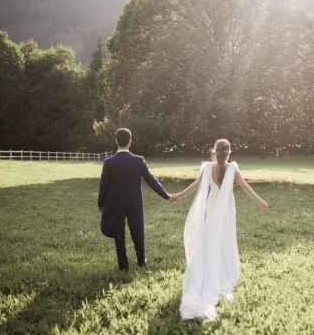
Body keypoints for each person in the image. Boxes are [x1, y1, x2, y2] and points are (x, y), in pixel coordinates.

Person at [171, 139, 269, 320]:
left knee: (209, 238)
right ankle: (223, 270)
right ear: (229, 152)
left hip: (212, 207)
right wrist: (260, 202)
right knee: (225, 240)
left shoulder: (208, 168)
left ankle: (207, 267)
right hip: (226, 211)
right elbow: (246, 188)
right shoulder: (233, 169)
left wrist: (179, 196)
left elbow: (196, 185)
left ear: (215, 152)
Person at [97, 128, 172, 271]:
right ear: (130, 141)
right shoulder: (138, 160)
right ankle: (141, 260)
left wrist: (101, 204)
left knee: (119, 234)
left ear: (116, 141)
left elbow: (103, 187)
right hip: (134, 202)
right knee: (138, 230)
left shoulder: (109, 162)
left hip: (115, 203)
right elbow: (151, 181)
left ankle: (123, 265)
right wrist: (166, 195)